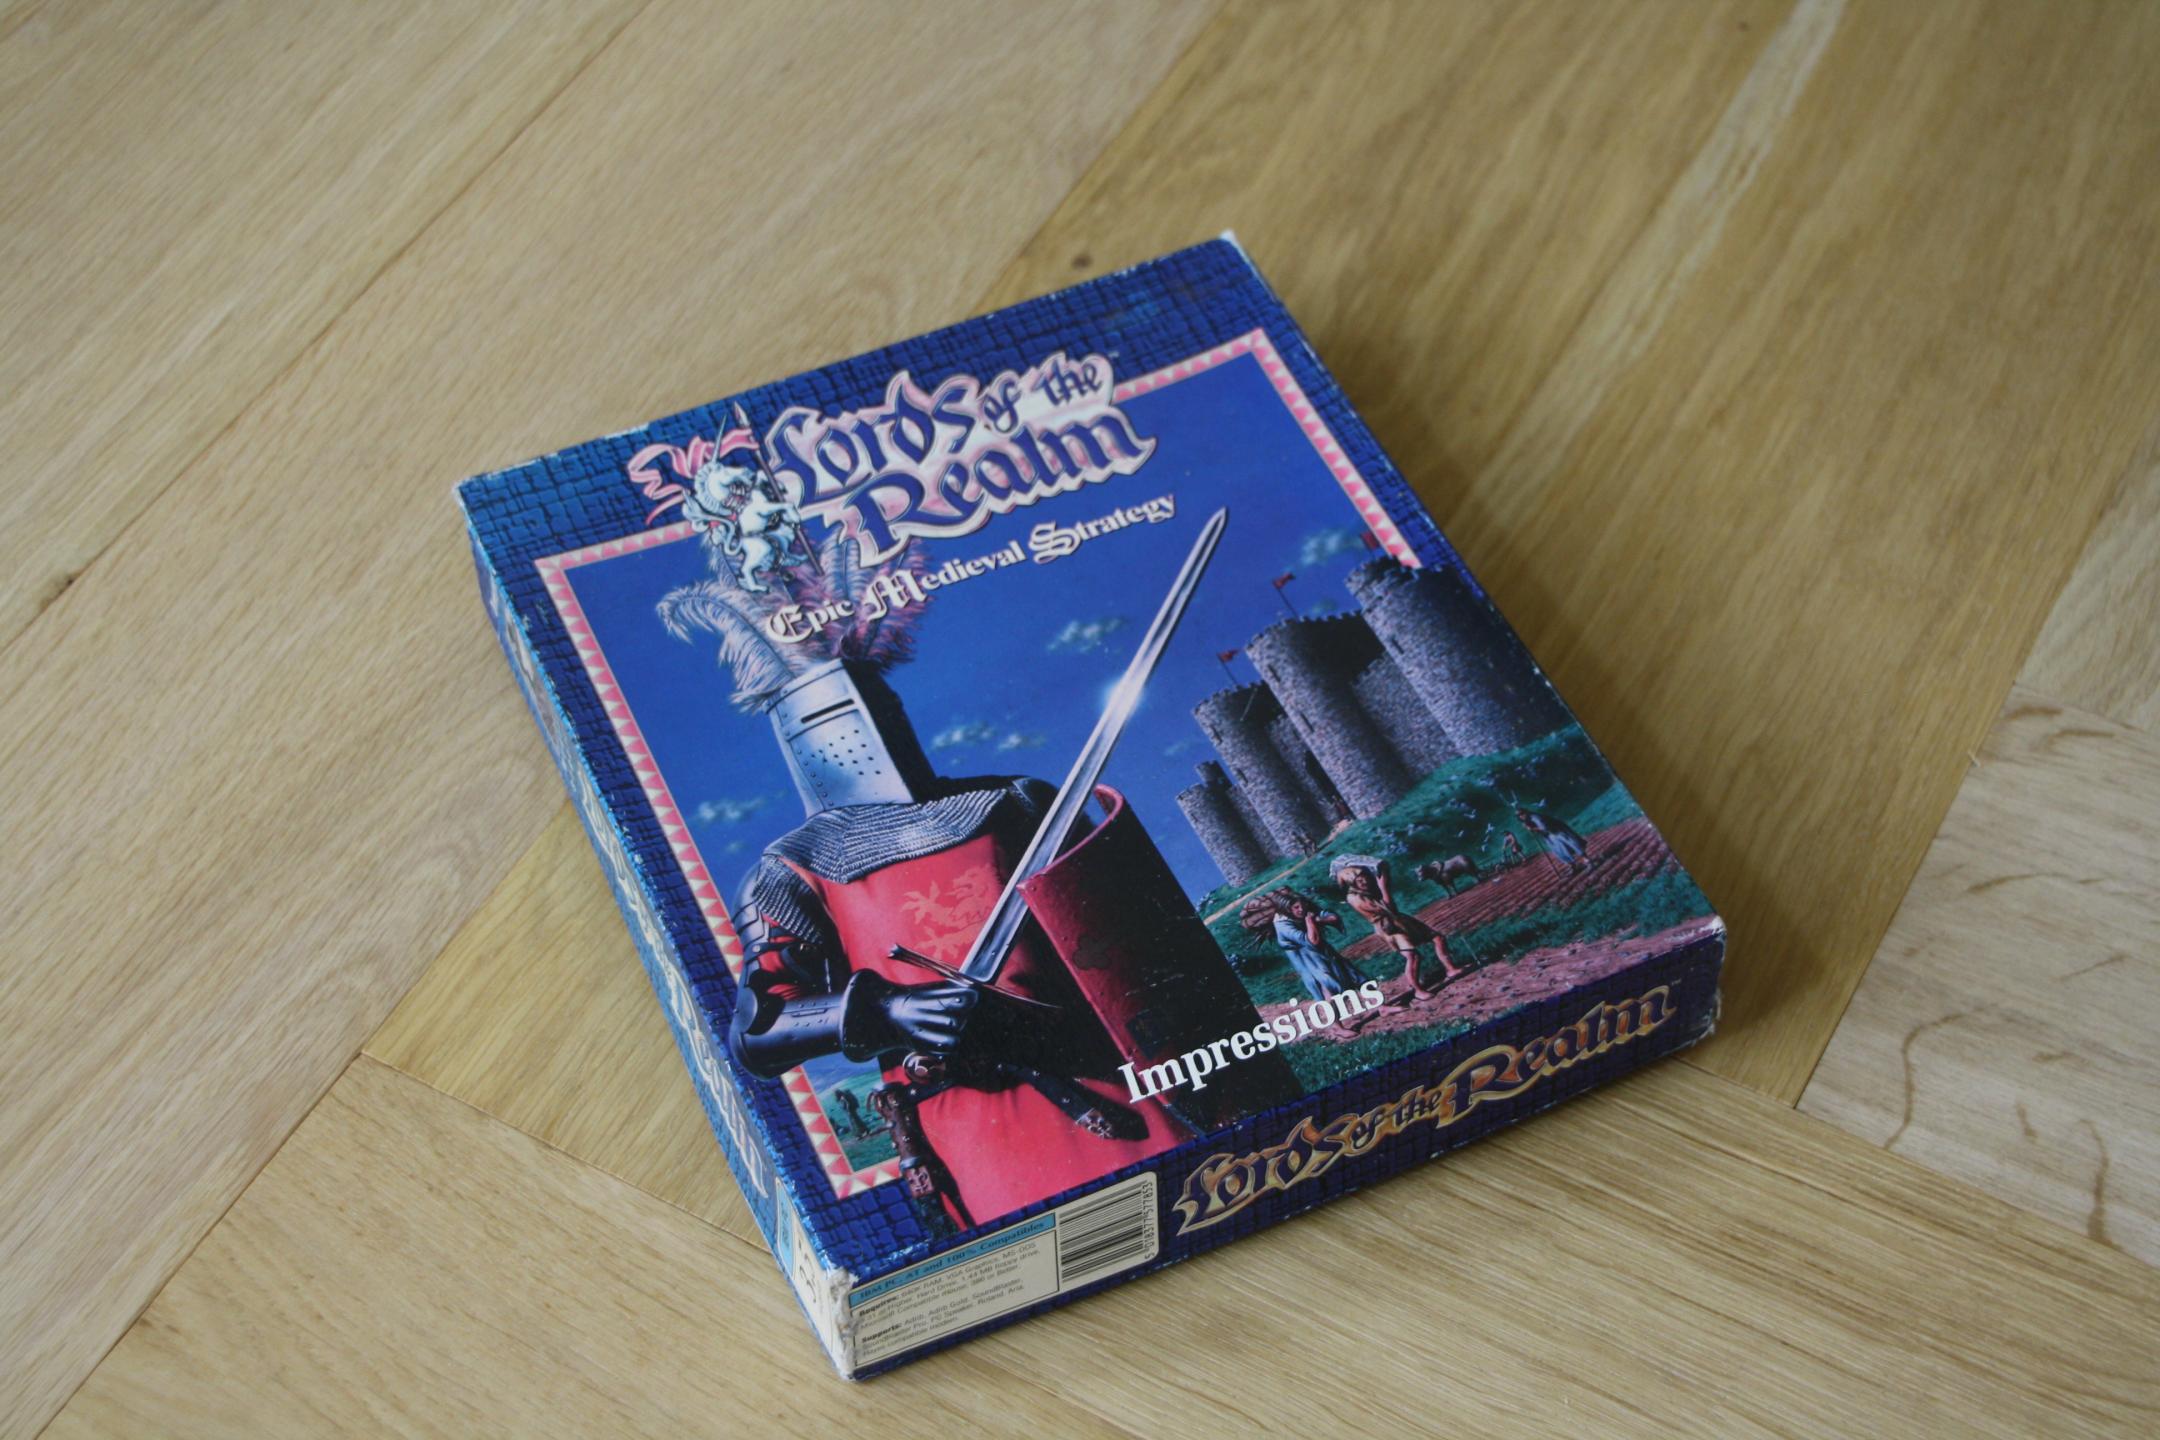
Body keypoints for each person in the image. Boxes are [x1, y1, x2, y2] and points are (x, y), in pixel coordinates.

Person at [1240, 889, 1377, 1036]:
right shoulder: (1282, 925)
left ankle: (1381, 1006)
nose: (1301, 909)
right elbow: (1313, 941)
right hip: (1309, 963)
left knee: (1355, 975)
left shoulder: (1304, 910)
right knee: (1327, 990)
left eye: (1302, 905)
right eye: (1296, 907)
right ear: (1287, 909)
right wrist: (1311, 921)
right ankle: (1337, 1027)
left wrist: (1319, 919)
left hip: (1325, 955)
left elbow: (1332, 916)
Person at [1331, 854, 1467, 998]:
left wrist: (1383, 876)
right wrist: (1383, 887)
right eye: (1359, 880)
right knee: (1412, 956)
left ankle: (1450, 968)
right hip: (1388, 927)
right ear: (1351, 883)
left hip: (1398, 920)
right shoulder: (1354, 898)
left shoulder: (1366, 891)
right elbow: (1389, 908)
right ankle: (1417, 990)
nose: (1364, 881)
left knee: (1437, 938)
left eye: (1364, 877)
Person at [1516, 805, 1591, 872]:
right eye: (1519, 816)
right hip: (1550, 836)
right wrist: (1530, 827)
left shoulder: (1535, 817)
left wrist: (1533, 829)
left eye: (1522, 814)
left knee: (1573, 844)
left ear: (1526, 812)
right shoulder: (1527, 821)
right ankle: (1573, 866)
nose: (1521, 816)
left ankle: (1588, 861)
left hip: (1558, 831)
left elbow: (1545, 828)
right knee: (1559, 851)